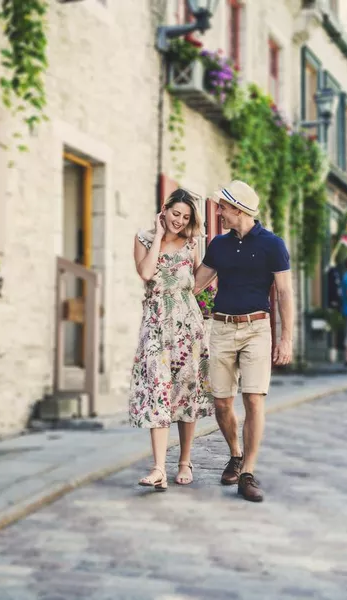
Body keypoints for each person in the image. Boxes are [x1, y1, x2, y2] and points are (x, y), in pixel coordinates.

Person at [193, 180, 293, 503]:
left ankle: (247, 472)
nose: (218, 212)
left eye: (222, 207)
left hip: (256, 329)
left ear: (238, 210)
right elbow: (195, 285)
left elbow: (285, 293)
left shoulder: (273, 245)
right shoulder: (219, 245)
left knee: (253, 399)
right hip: (221, 329)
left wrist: (286, 338)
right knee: (222, 402)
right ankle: (235, 454)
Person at [130, 188, 213, 491]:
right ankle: (158, 468)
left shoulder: (191, 244)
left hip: (187, 327)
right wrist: (158, 237)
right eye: (175, 213)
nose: (179, 220)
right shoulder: (142, 239)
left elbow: (197, 283)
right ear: (164, 210)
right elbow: (147, 272)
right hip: (155, 325)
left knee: (185, 392)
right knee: (157, 391)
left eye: (186, 217)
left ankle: (184, 461)